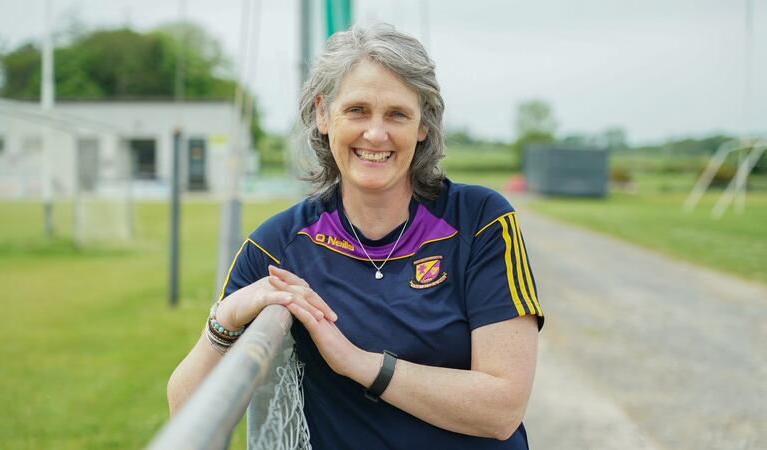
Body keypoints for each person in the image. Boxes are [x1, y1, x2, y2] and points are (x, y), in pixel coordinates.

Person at [167, 23, 544, 449]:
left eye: (397, 114)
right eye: (358, 110)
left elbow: (502, 409)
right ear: (324, 114)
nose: (376, 134)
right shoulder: (278, 246)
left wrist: (359, 364)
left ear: (423, 125)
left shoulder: (480, 220)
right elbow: (186, 415)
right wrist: (227, 318)